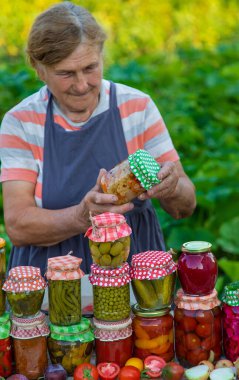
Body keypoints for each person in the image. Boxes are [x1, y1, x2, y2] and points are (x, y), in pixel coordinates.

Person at [0, 2, 196, 275]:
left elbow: (184, 207)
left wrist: (173, 187)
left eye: (90, 68)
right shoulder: (21, 122)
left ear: (102, 55)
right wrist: (82, 216)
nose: (81, 85)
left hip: (134, 277)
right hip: (52, 281)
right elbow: (18, 225)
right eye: (66, 73)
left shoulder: (136, 107)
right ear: (39, 69)